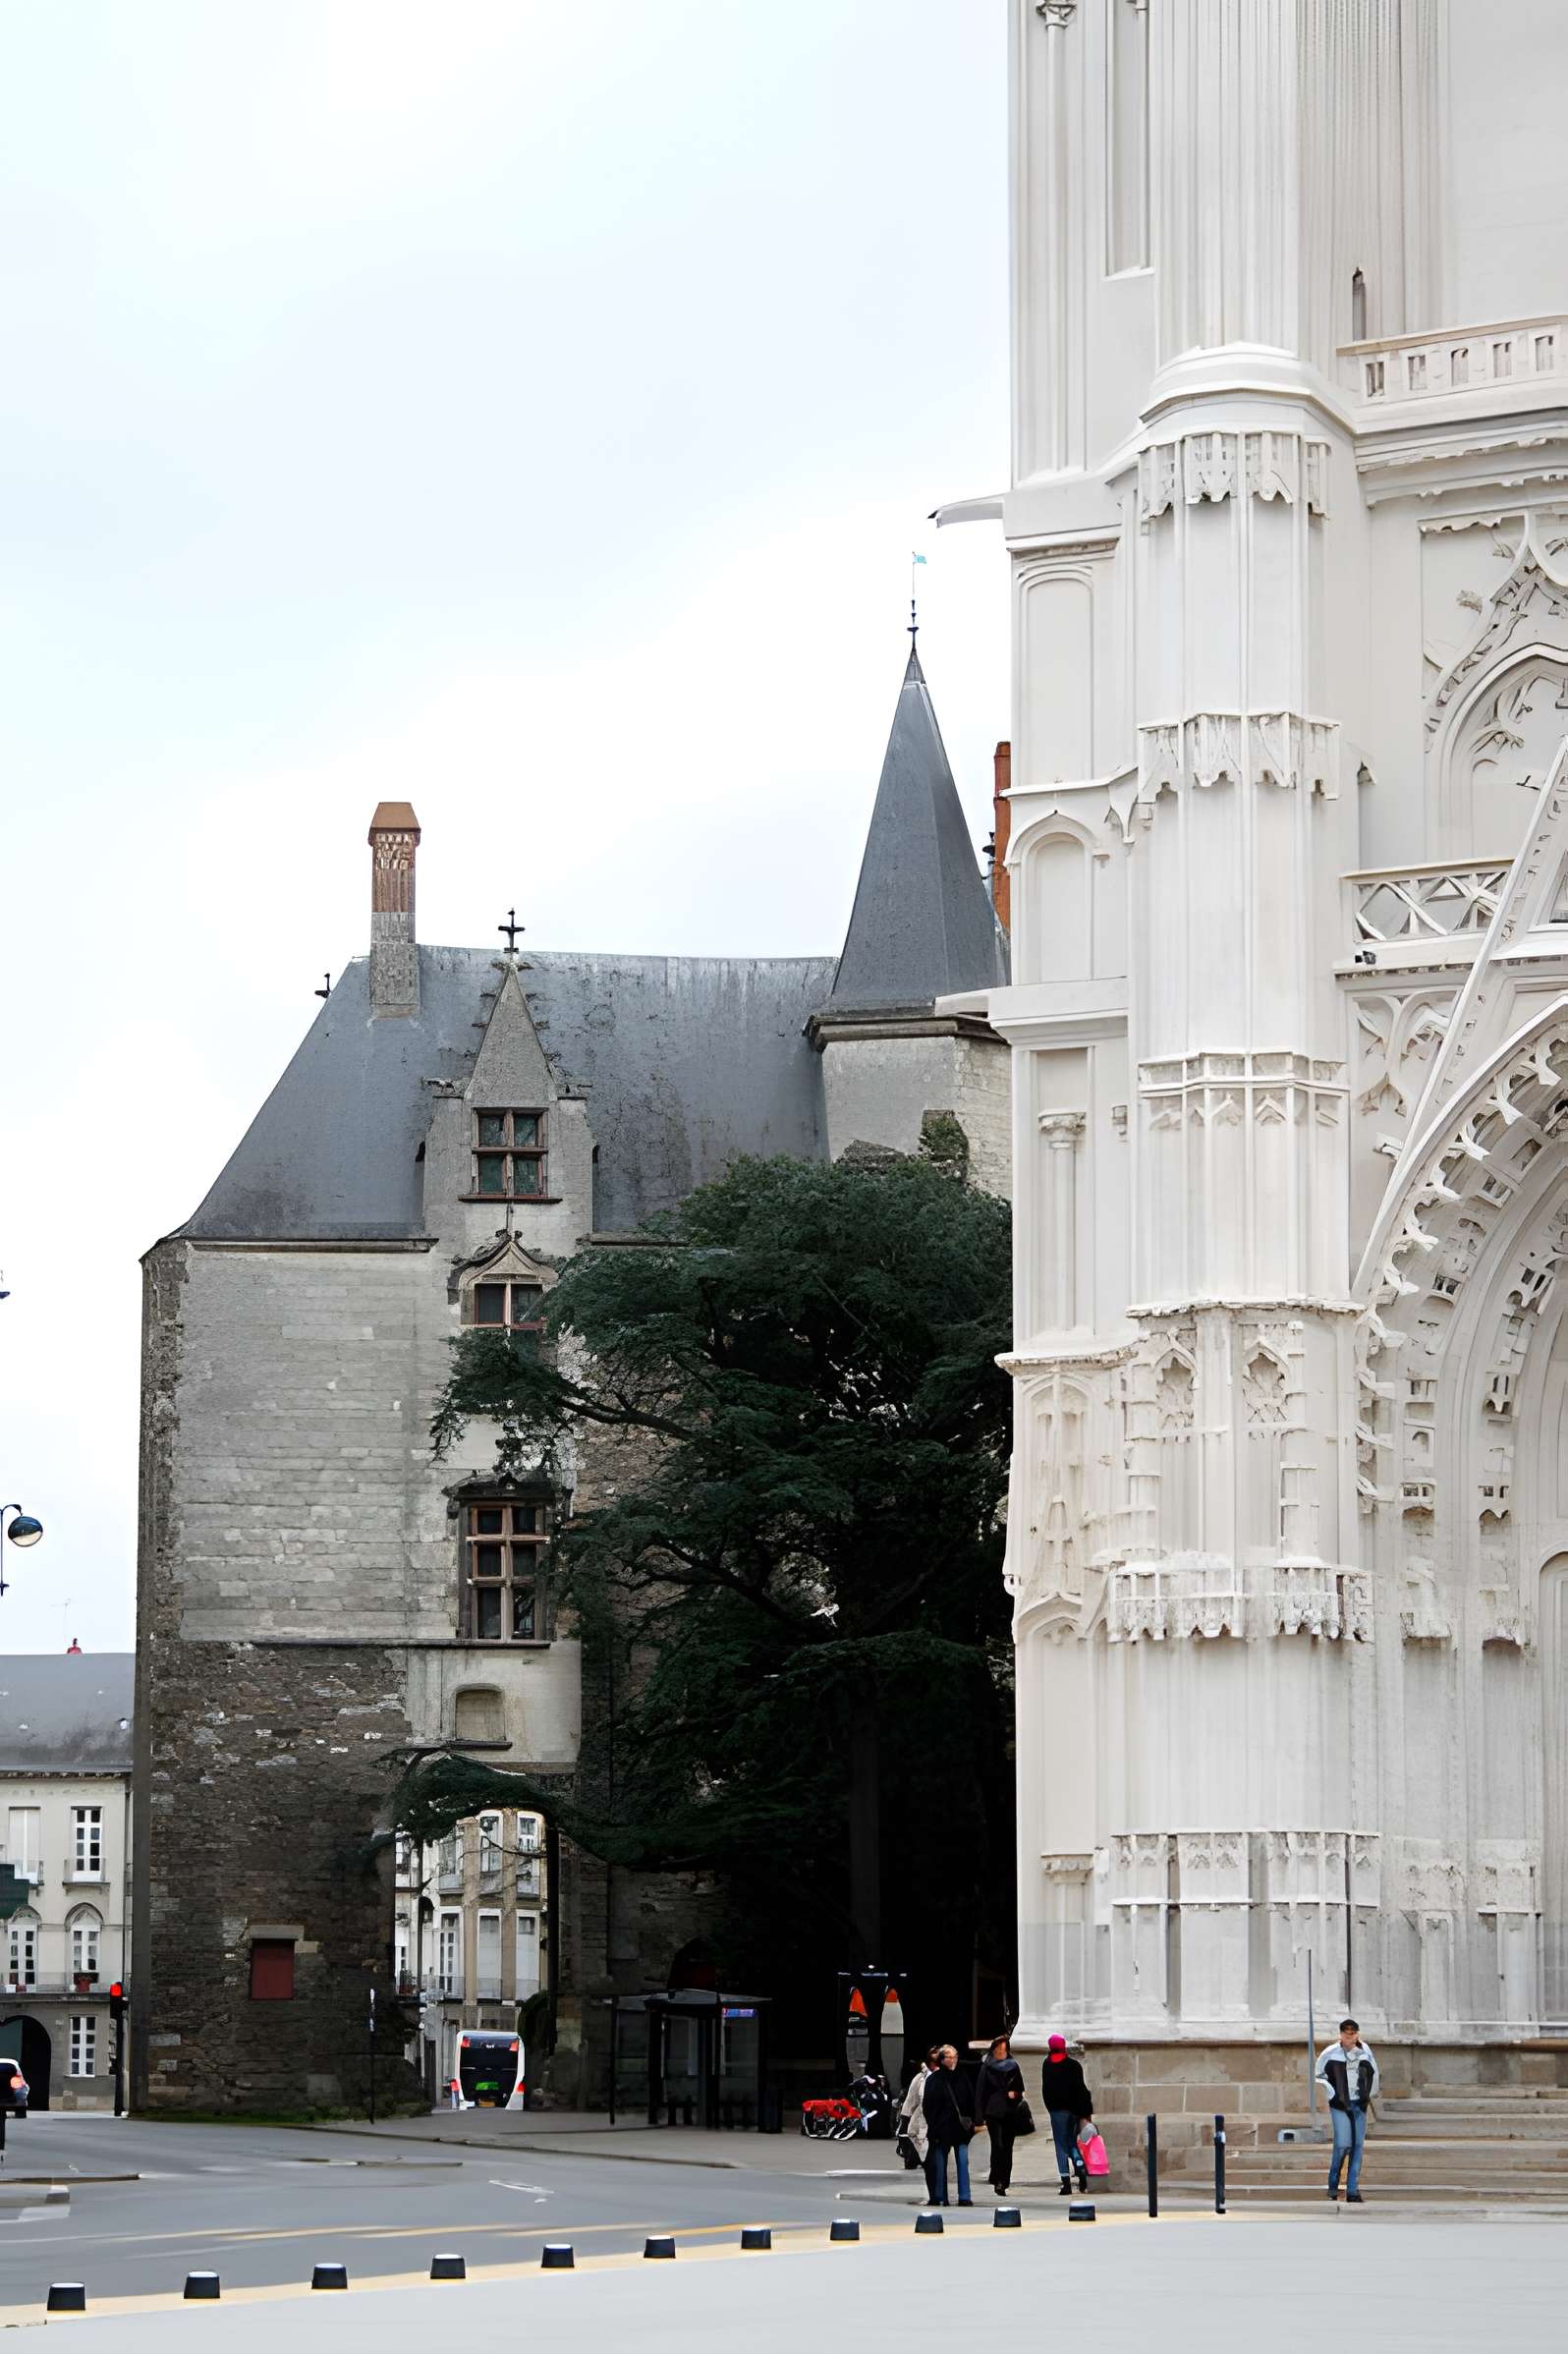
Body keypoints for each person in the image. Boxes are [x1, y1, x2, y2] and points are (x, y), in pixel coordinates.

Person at [1316, 2017, 1378, 2203]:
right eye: (1346, 2033)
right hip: (1340, 2104)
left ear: (1357, 2034)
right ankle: (1333, 2183)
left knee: (1357, 2146)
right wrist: (1331, 2093)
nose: (1349, 2036)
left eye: (1353, 2033)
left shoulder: (1365, 2052)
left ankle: (1353, 2190)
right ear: (1341, 2034)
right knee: (1343, 2144)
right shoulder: (1331, 2053)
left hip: (1359, 2103)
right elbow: (1319, 2075)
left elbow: (1374, 2073)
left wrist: (1368, 2096)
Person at [973, 2033, 1027, 2197]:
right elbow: (980, 2091)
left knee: (1007, 2146)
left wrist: (1014, 2094)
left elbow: (1020, 2088)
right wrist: (979, 2116)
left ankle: (1004, 2180)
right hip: (993, 2111)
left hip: (1010, 2111)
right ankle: (997, 2177)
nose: (1001, 2052)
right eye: (999, 2049)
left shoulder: (1013, 2066)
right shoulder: (987, 2066)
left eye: (1004, 2049)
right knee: (998, 2145)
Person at [921, 2044, 975, 2207]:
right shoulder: (934, 2080)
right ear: (942, 2060)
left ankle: (964, 2196)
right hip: (941, 2128)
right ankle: (939, 2195)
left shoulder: (962, 2077)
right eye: (949, 2057)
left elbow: (970, 2100)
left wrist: (972, 2121)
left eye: (955, 2057)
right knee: (939, 2163)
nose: (953, 2061)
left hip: (959, 2129)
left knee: (963, 2161)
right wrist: (933, 2126)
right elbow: (928, 2106)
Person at [1041, 2032, 1093, 2195]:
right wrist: (1084, 2112)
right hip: (1074, 2111)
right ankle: (1081, 2171)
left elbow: (1046, 2090)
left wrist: (1050, 2107)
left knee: (1060, 2146)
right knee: (1072, 2143)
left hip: (1057, 2111)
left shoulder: (1047, 2064)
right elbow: (1081, 2090)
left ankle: (1066, 2183)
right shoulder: (1073, 2065)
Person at [898, 2046, 938, 2196]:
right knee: (927, 2157)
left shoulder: (947, 2076)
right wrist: (904, 2121)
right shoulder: (920, 2078)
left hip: (940, 2122)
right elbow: (910, 2101)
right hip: (922, 2123)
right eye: (934, 2060)